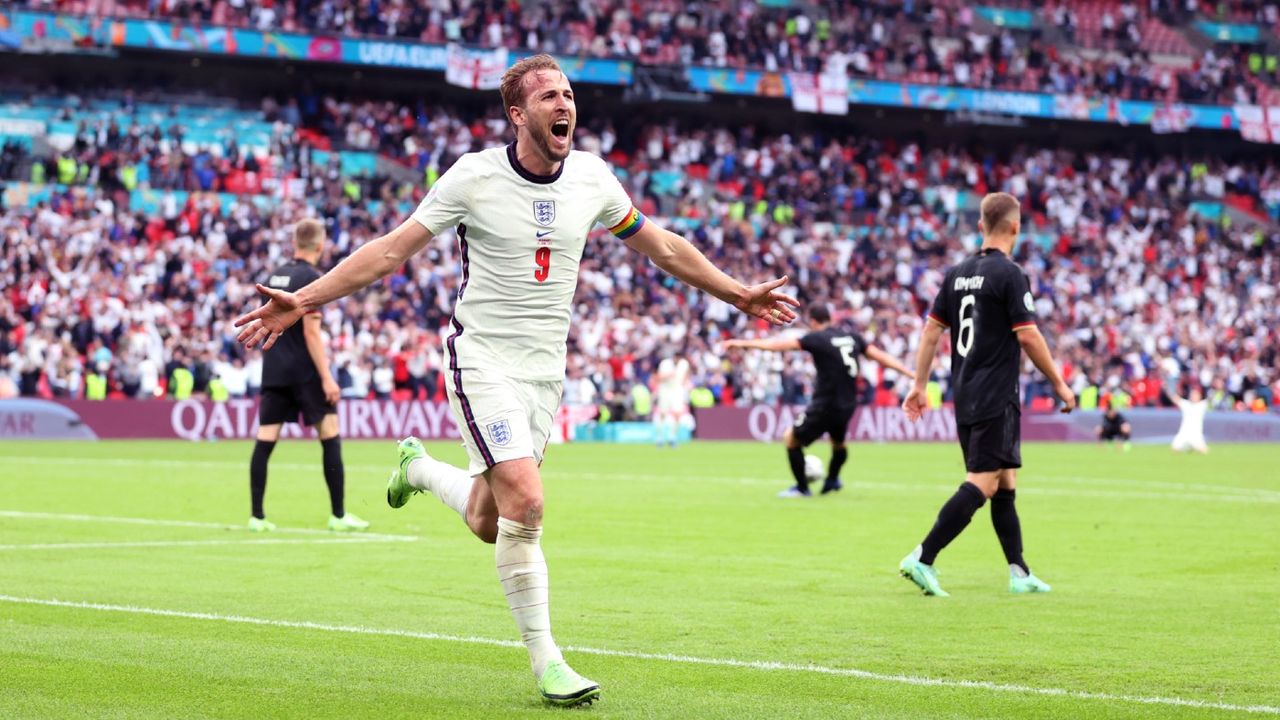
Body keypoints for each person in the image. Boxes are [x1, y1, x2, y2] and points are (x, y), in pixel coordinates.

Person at [234, 54, 798, 707]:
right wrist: (305, 300)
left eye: (569, 94)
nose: (565, 105)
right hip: (482, 357)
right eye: (549, 96)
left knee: (487, 518)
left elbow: (663, 246)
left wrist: (737, 294)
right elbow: (389, 252)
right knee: (526, 503)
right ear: (518, 113)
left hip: (543, 372)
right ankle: (548, 662)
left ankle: (416, 469)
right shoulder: (473, 177)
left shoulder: (592, 179)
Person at [899, 192, 1076, 597]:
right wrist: (1059, 383)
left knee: (1004, 481)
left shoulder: (956, 274)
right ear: (1016, 227)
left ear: (981, 227)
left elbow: (931, 331)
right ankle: (922, 558)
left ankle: (1019, 571)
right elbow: (1028, 334)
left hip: (966, 392)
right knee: (981, 482)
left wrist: (919, 385)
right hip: (996, 395)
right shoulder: (1010, 275)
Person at [247, 218, 369, 534]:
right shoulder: (312, 279)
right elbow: (312, 334)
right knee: (329, 434)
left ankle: (257, 517)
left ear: (294, 242)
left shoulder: (274, 275)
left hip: (274, 368)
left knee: (265, 440)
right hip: (304, 371)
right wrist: (327, 378)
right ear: (320, 244)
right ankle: (338, 515)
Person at [725, 304, 915, 497]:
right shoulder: (851, 337)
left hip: (826, 403)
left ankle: (802, 488)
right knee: (838, 444)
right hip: (848, 403)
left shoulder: (817, 338)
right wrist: (909, 373)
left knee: (791, 438)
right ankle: (832, 480)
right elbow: (880, 356)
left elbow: (779, 345)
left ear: (813, 321)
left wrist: (743, 344)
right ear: (830, 318)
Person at [652, 355, 691, 448]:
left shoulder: (684, 364)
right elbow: (659, 377)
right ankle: (659, 437)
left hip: (677, 390)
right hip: (665, 390)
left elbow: (686, 375)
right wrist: (669, 375)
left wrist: (686, 386)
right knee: (663, 413)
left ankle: (672, 437)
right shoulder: (665, 364)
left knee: (678, 413)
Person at [1169, 384, 1210, 454]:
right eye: (1192, 394)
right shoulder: (1186, 404)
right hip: (1184, 433)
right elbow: (1174, 398)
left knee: (1204, 451)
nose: (1193, 396)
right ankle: (1188, 449)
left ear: (1199, 396)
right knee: (1174, 449)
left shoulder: (1202, 405)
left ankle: (1192, 448)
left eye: (1195, 395)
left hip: (1196, 434)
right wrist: (1168, 387)